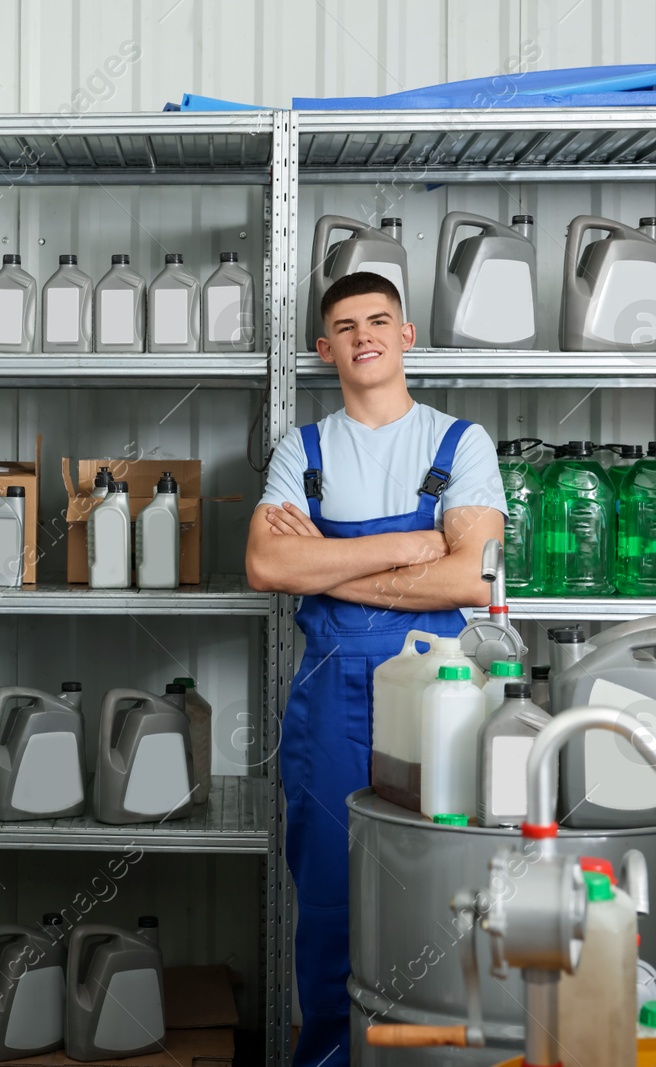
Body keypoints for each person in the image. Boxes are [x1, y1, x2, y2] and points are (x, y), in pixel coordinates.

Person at [245, 271, 507, 1065]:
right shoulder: (307, 449)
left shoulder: (460, 443)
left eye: (379, 320)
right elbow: (265, 563)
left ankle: (428, 1054)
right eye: (347, 326)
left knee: (440, 887)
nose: (364, 335)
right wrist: (408, 544)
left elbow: (473, 578)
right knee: (328, 898)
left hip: (443, 699)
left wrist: (325, 562)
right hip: (329, 699)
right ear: (325, 349)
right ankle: (328, 1055)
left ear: (406, 335)